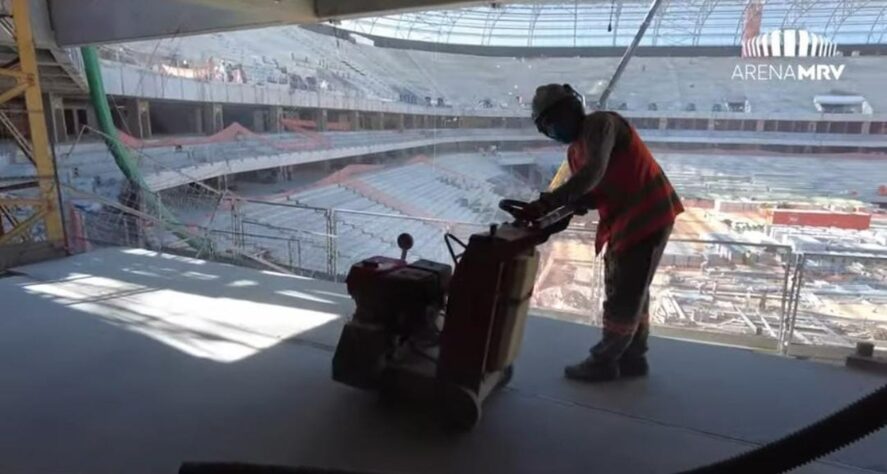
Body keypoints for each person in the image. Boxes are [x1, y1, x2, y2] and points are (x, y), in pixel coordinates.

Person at [524, 83, 684, 382]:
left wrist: (548, 202)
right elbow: (594, 188)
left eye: (554, 119)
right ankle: (633, 357)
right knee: (634, 290)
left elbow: (592, 174)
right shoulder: (575, 152)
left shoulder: (601, 124)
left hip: (647, 214)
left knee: (622, 295)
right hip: (627, 220)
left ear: (573, 109)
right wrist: (578, 202)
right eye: (545, 126)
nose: (551, 129)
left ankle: (604, 361)